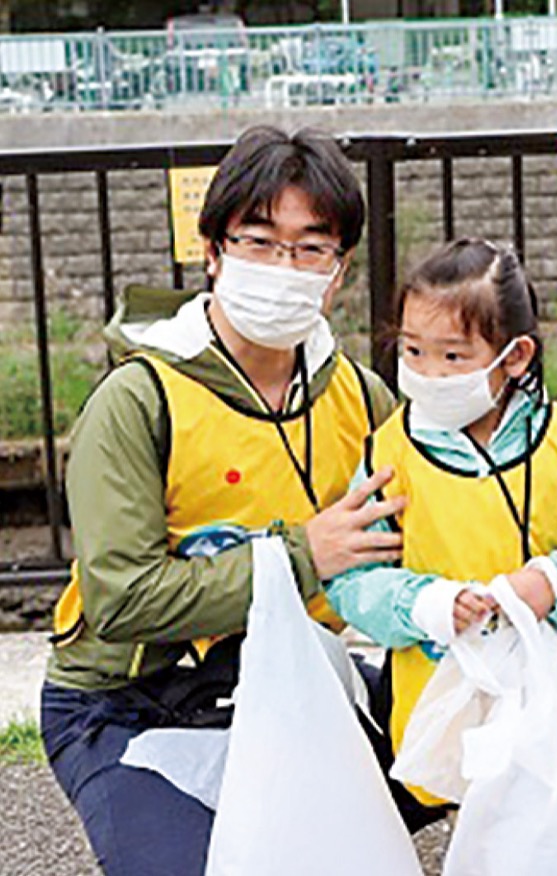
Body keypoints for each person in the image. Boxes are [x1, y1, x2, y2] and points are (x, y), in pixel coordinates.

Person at [41, 126, 404, 876]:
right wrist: (304, 554)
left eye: (311, 248)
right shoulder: (138, 399)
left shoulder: (360, 398)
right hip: (128, 700)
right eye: (259, 242)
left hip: (290, 681)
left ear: (339, 272)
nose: (284, 267)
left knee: (495, 733)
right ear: (212, 252)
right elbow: (123, 598)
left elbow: (432, 539)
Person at [325, 238, 557, 827]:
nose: (428, 373)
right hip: (446, 704)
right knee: (477, 835)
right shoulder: (389, 454)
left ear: (516, 356)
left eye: (453, 356)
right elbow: (352, 580)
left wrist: (554, 582)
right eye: (413, 351)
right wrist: (424, 603)